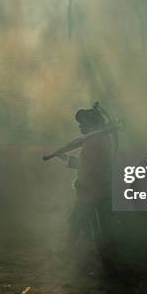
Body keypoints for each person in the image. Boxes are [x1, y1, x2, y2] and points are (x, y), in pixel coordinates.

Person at [57, 107, 115, 274]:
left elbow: (91, 168)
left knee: (88, 225)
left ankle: (105, 262)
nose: (81, 126)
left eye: (84, 123)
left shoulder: (95, 142)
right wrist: (65, 158)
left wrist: (80, 183)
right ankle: (70, 255)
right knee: (87, 224)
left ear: (92, 124)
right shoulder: (99, 139)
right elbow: (86, 165)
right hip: (96, 190)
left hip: (93, 191)